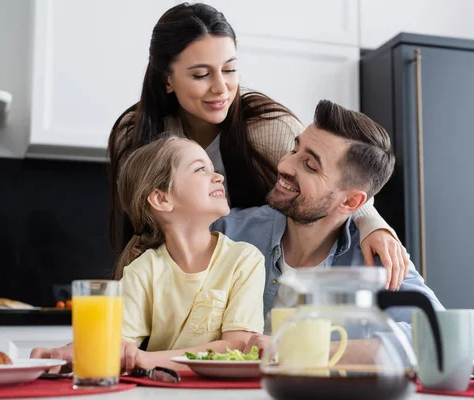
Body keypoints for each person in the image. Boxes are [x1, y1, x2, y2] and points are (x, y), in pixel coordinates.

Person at [107, 2, 408, 285]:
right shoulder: (134, 134)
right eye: (201, 74)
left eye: (229, 69)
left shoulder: (269, 128)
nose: (221, 88)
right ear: (167, 80)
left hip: (253, 281)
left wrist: (373, 224)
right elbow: (143, 230)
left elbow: (337, 181)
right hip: (172, 281)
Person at [207, 100, 445, 351]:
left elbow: (439, 334)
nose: (284, 165)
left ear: (351, 201)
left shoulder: (378, 263)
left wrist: (302, 350)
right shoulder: (229, 232)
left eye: (310, 165)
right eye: (294, 149)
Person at [31, 136, 265, 371]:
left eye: (213, 169)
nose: (218, 177)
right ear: (162, 199)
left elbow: (237, 347)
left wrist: (147, 360)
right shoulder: (143, 271)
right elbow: (112, 340)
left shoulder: (244, 259)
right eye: (200, 169)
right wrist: (63, 355)